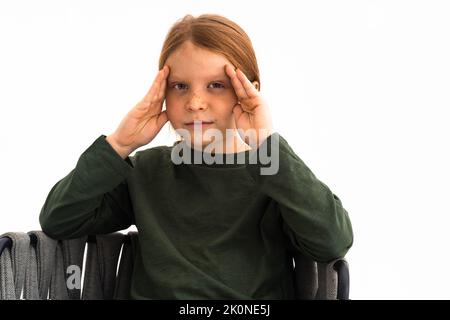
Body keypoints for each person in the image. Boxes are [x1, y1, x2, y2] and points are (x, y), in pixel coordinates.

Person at [39, 13, 353, 299]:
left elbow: (332, 241)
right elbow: (60, 219)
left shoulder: (274, 171)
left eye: (216, 85)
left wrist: (266, 145)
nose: (195, 102)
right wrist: (119, 144)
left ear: (249, 92)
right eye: (180, 86)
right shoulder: (147, 171)